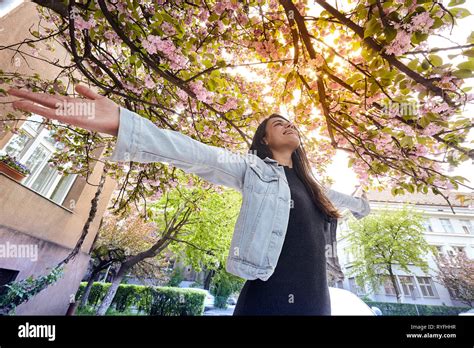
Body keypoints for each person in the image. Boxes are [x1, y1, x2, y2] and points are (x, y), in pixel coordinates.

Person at [6, 85, 370, 315]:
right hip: (269, 301)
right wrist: (122, 122)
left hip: (317, 303)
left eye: (290, 121)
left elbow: (351, 205)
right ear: (263, 141)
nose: (288, 124)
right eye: (277, 123)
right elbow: (193, 152)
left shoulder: (313, 186)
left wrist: (363, 204)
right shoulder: (252, 169)